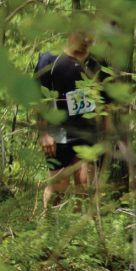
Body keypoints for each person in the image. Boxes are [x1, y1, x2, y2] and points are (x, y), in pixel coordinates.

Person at [34, 29, 110, 209]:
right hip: (58, 133)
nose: (86, 39)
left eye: (89, 35)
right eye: (81, 34)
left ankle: (79, 231)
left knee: (84, 185)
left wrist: (107, 138)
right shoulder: (49, 60)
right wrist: (44, 134)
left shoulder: (97, 63)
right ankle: (47, 225)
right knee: (58, 187)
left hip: (88, 133)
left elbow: (106, 104)